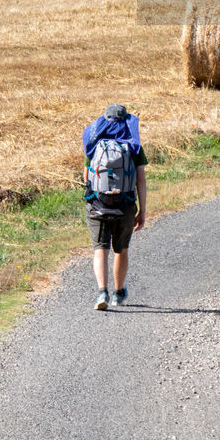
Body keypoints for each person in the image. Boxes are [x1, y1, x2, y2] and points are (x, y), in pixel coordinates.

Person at [82, 103, 148, 311]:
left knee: (100, 249)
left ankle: (102, 291)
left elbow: (86, 178)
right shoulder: (134, 146)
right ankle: (119, 294)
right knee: (121, 249)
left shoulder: (94, 143)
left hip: (97, 204)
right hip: (125, 205)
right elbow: (141, 181)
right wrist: (142, 211)